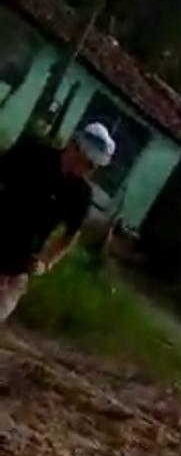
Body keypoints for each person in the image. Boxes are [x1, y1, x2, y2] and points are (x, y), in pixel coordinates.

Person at [0, 122, 116, 323]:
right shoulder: (31, 155)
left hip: (16, 268)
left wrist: (47, 262)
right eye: (82, 158)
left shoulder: (80, 194)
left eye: (90, 165)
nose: (83, 167)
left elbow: (71, 234)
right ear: (72, 144)